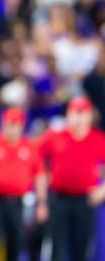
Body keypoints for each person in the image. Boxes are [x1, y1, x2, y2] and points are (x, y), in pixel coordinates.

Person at [0, 107, 47, 261]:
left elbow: (39, 176)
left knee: (16, 241)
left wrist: (41, 203)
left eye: (16, 125)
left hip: (18, 201)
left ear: (22, 126)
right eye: (9, 124)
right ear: (3, 124)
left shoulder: (29, 148)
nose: (12, 129)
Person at [38, 96, 105, 261]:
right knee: (56, 247)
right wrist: (44, 178)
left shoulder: (98, 139)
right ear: (68, 114)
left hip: (85, 199)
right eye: (75, 113)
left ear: (90, 115)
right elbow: (35, 158)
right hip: (59, 198)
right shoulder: (54, 136)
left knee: (81, 248)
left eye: (82, 113)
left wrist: (102, 190)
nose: (78, 118)